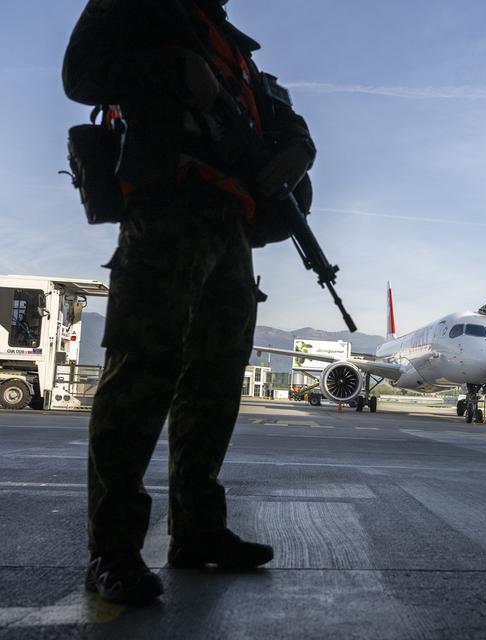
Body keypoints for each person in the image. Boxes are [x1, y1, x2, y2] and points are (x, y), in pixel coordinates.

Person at [62, 0, 316, 605]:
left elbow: (285, 124)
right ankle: (114, 550)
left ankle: (198, 531)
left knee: (215, 382)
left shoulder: (238, 50)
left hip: (233, 225)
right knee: (142, 370)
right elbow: (80, 76)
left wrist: (300, 150)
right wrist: (171, 65)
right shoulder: (147, 9)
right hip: (167, 203)